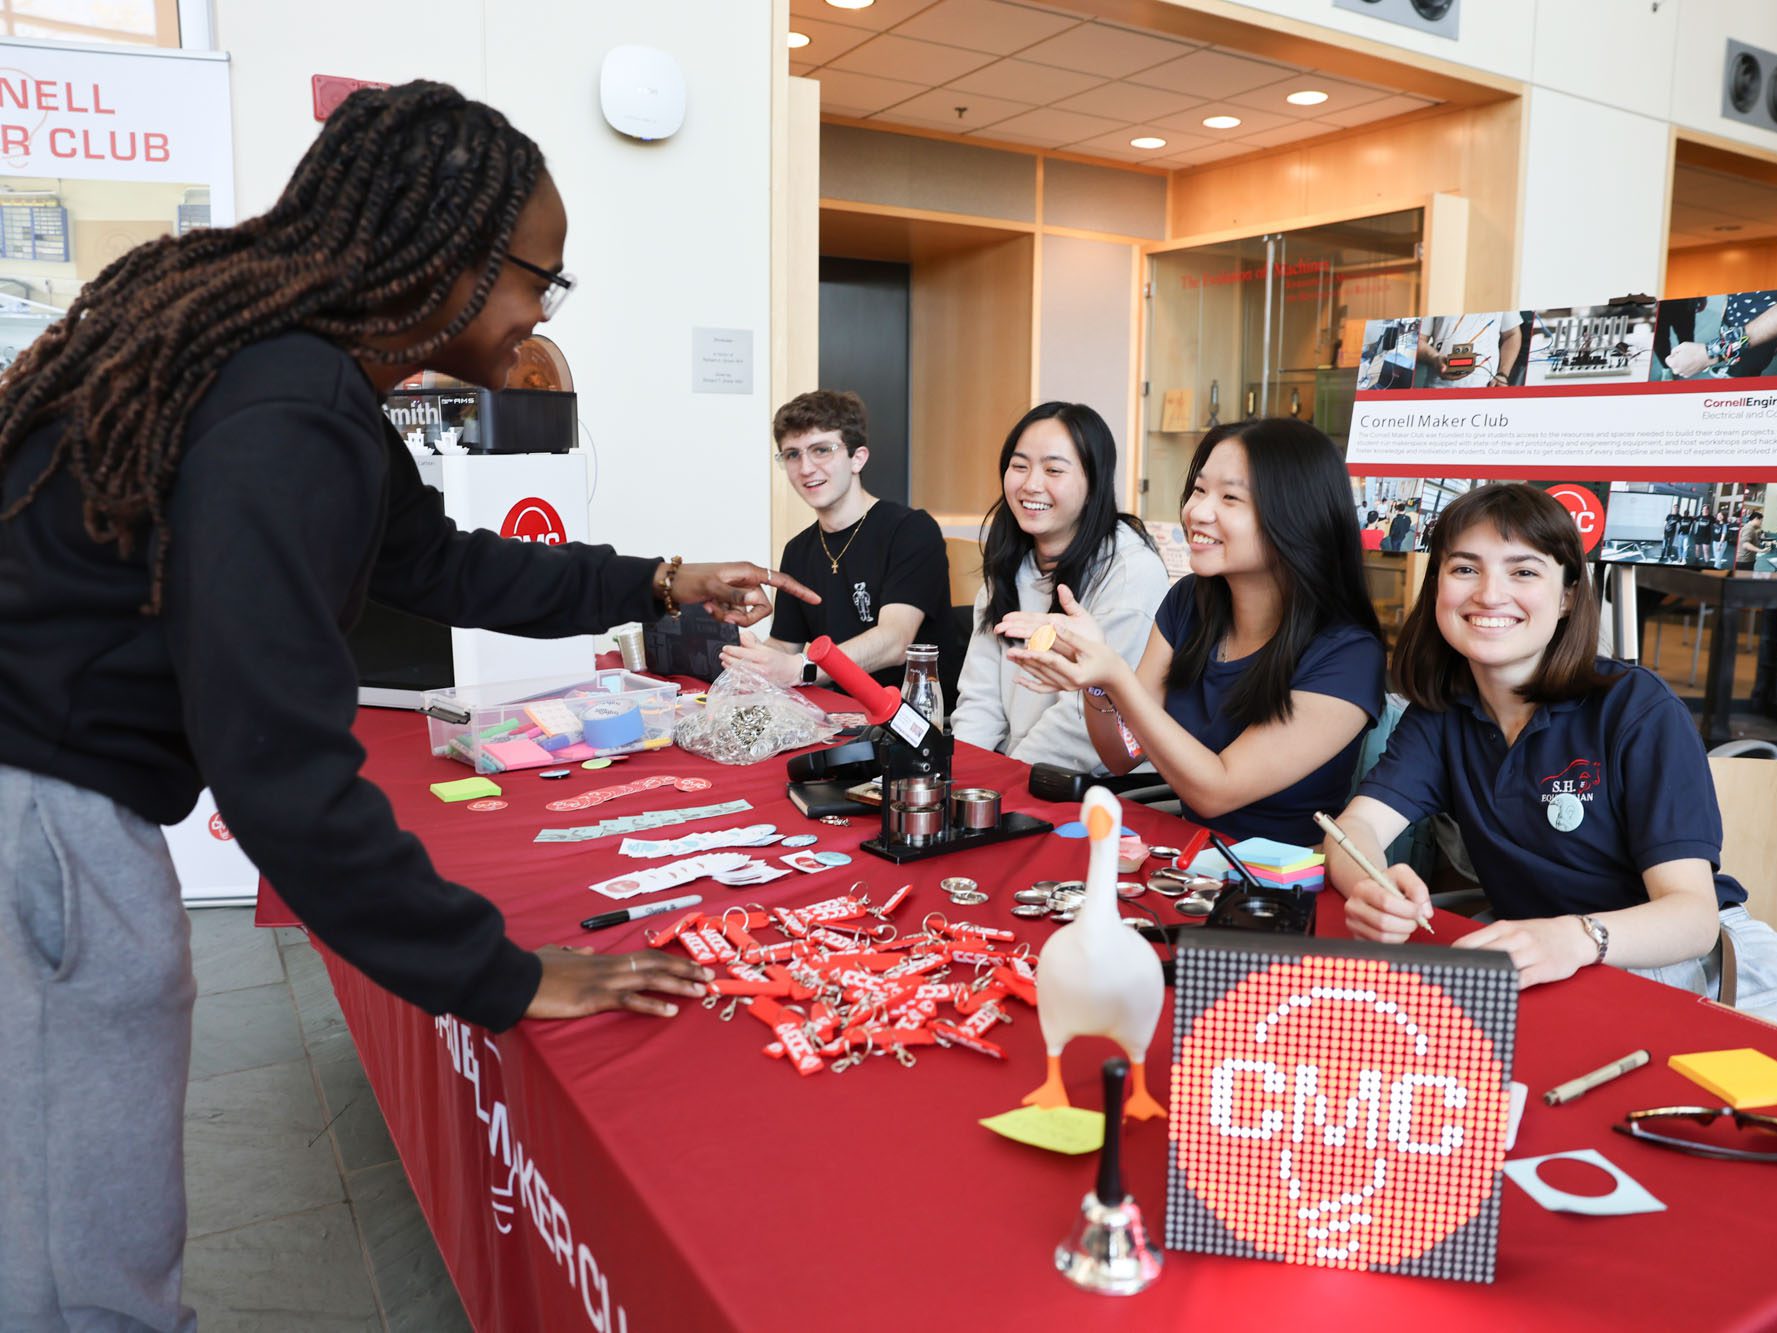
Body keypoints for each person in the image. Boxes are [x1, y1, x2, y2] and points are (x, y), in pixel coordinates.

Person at [0, 83, 817, 1330]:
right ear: (450, 262)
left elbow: (441, 565)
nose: (544, 310)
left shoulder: (295, 377)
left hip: (48, 809)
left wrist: (653, 578)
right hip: (42, 835)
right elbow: (278, 764)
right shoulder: (289, 405)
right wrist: (494, 972)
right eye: (541, 277)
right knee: (81, 1278)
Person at [1320, 484, 1777, 1042]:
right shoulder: (1442, 713)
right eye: (1465, 569)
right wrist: (1371, 885)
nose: (1490, 594)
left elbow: (1693, 916)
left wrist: (1575, 939)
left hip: (1686, 963)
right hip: (1546, 961)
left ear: (1568, 594)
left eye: (1523, 572)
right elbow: (1353, 830)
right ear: (1437, 587)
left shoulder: (1636, 707)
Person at [1002, 418, 1385, 847]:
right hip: (1186, 861)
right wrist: (1096, 682)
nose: (1197, 511)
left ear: (1296, 516)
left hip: (1280, 882)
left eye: (1230, 497)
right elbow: (1122, 754)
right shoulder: (1191, 601)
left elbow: (1215, 791)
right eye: (1199, 490)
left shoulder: (1348, 655)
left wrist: (1115, 677)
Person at [950, 403, 1168, 772]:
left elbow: (1081, 729)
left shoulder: (1131, 572)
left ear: (1093, 483)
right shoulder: (1010, 558)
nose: (1031, 484)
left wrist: (1004, 784)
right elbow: (979, 699)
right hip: (1011, 776)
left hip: (1096, 787)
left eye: (1053, 470)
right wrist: (963, 780)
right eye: (1019, 466)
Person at [719, 389, 953, 702]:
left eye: (821, 450)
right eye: (792, 454)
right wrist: (744, 654)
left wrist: (800, 668)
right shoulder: (798, 550)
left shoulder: (911, 530)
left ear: (858, 458)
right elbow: (784, 647)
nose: (805, 468)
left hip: (908, 720)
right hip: (833, 717)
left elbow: (895, 641)